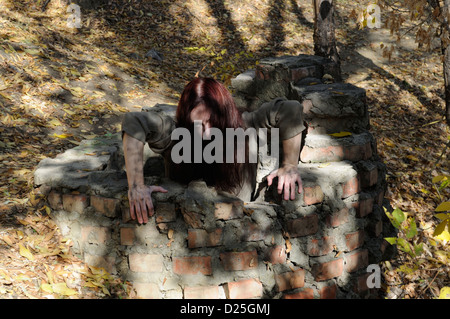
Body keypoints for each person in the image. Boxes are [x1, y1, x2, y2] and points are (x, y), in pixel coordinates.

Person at [122, 77, 306, 224]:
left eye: (213, 122)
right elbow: (134, 121)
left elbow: (291, 109)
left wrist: (289, 165)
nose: (207, 132)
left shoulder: (247, 125)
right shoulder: (175, 134)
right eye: (198, 124)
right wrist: (136, 186)